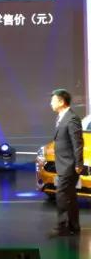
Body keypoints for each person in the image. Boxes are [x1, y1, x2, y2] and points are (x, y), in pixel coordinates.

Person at [50, 88, 84, 236]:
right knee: (70, 196)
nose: (51, 103)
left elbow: (78, 143)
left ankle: (61, 227)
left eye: (53, 100)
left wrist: (78, 164)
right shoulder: (60, 117)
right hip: (63, 163)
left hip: (69, 165)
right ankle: (74, 226)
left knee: (62, 194)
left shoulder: (72, 118)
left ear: (61, 102)